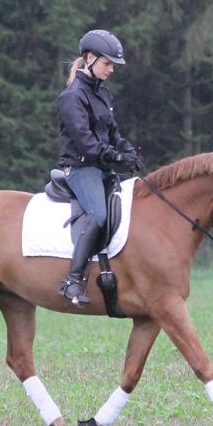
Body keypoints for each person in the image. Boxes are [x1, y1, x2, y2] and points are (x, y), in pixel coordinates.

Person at [54, 28, 144, 306]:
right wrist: (116, 158)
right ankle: (72, 280)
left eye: (113, 65)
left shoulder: (103, 95)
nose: (111, 70)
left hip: (102, 168)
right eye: (107, 64)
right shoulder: (72, 97)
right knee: (99, 215)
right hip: (80, 169)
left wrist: (129, 152)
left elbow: (112, 134)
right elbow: (87, 144)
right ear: (90, 58)